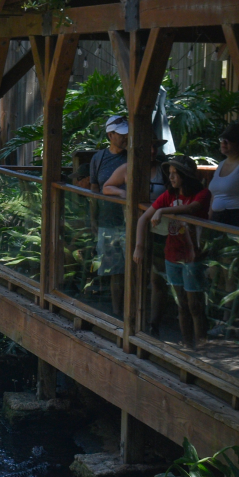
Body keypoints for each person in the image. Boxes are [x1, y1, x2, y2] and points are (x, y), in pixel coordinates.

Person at [134, 155, 210, 348]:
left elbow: (192, 208)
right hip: (172, 255)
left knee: (195, 304)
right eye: (170, 174)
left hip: (194, 255)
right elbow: (143, 219)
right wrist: (139, 247)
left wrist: (163, 211)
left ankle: (202, 343)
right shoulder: (169, 195)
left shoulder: (202, 194)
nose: (172, 178)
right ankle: (187, 343)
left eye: (176, 174)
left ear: (187, 175)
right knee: (181, 304)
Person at [102, 135, 171, 335]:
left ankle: (154, 323)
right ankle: (124, 316)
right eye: (147, 147)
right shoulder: (127, 168)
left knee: (157, 277)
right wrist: (122, 194)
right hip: (132, 229)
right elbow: (107, 187)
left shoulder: (164, 170)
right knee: (132, 272)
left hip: (160, 231)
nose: (151, 151)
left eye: (154, 147)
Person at [80, 114, 129, 315]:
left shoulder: (132, 157)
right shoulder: (98, 158)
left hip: (128, 222)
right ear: (110, 135)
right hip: (107, 222)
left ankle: (132, 312)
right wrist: (94, 218)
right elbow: (94, 189)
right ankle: (118, 313)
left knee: (131, 271)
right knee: (113, 270)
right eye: (121, 135)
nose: (125, 138)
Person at [208, 122, 239, 227]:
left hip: (237, 220)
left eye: (228, 141)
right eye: (222, 140)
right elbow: (214, 196)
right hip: (217, 219)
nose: (223, 143)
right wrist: (209, 218)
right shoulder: (221, 164)